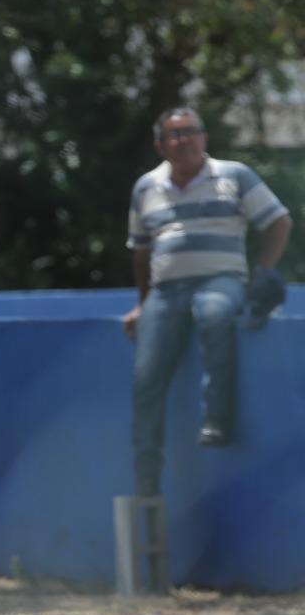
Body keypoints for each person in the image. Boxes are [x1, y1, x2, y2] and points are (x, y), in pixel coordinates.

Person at [123, 106, 292, 496]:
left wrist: (262, 271)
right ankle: (146, 475)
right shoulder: (146, 187)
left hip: (222, 278)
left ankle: (217, 419)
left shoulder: (234, 175)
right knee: (146, 376)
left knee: (214, 312)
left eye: (191, 132)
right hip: (166, 290)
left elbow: (279, 222)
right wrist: (142, 303)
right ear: (160, 144)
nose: (184, 141)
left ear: (204, 137)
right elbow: (141, 252)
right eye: (174, 135)